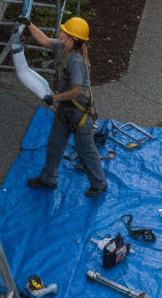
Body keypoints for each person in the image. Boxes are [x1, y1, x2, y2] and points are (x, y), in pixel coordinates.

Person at [24, 16, 107, 198]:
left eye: (64, 31)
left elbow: (76, 90)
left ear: (72, 38)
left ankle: (99, 183)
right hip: (65, 109)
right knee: (55, 144)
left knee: (86, 150)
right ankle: (49, 178)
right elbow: (45, 41)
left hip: (79, 112)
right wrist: (29, 24)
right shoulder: (63, 47)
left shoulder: (76, 61)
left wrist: (54, 98)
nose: (60, 31)